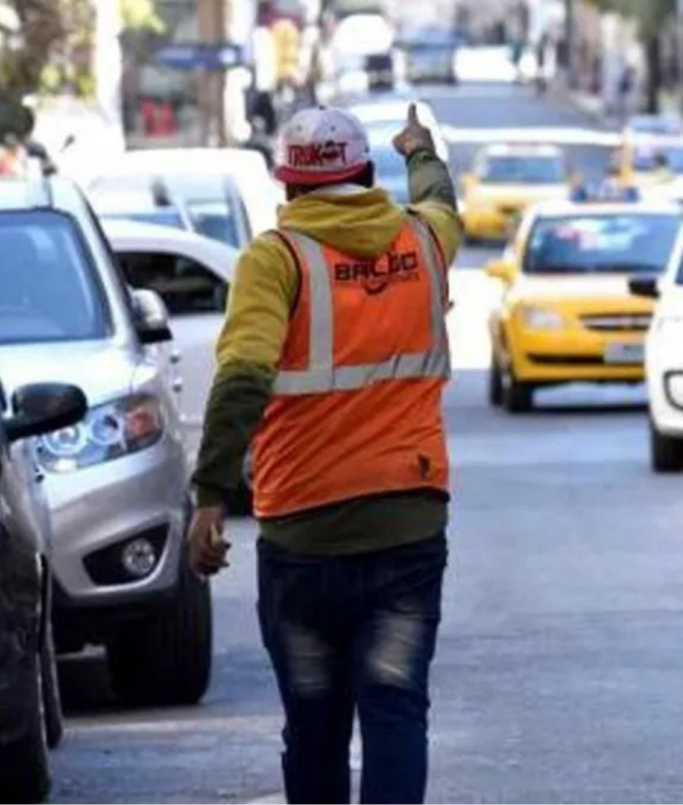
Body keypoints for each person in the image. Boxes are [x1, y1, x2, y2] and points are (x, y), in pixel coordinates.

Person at [186, 104, 462, 805]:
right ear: (366, 173)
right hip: (407, 529)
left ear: (288, 188)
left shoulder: (274, 259)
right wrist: (420, 150)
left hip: (303, 538)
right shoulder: (425, 243)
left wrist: (211, 494)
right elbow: (439, 200)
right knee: (396, 710)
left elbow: (243, 375)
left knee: (314, 727)